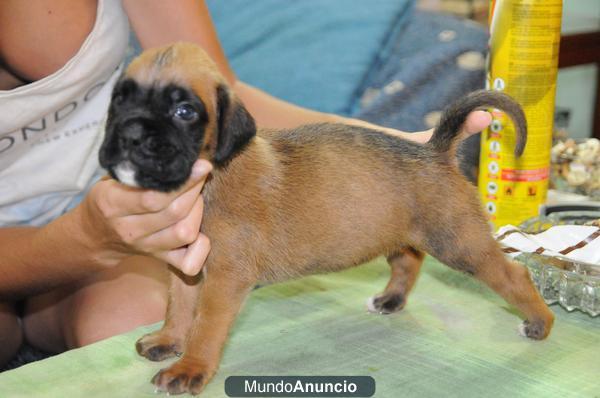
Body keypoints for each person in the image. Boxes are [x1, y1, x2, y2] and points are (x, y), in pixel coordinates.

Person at [0, 0, 492, 367]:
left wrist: (390, 147)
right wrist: (87, 237)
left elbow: (226, 97)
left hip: (106, 220)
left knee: (144, 328)